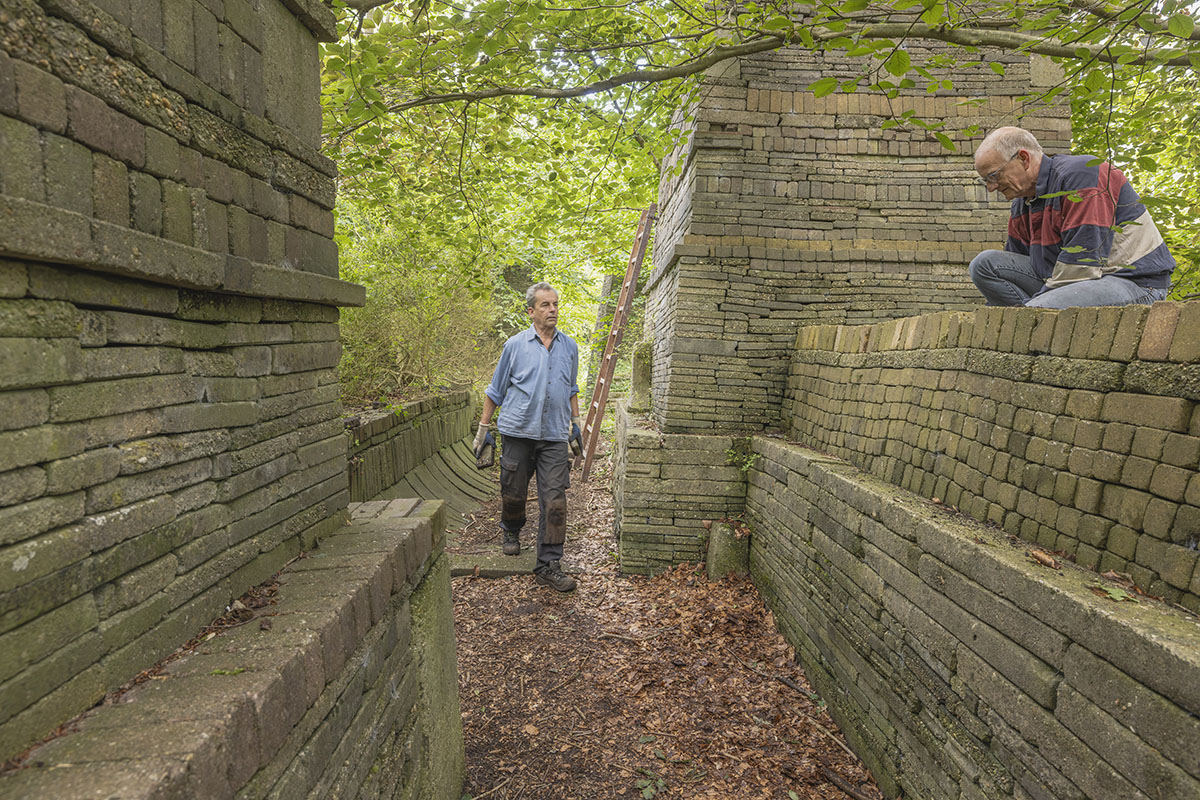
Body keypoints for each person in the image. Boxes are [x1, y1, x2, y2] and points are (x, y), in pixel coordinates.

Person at [968, 126, 1174, 308]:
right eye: (985, 181)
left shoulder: (1082, 174)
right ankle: (1027, 328)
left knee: (1036, 313)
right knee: (985, 265)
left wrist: (1031, 307)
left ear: (1024, 158)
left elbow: (1082, 266)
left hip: (1132, 283)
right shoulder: (1022, 202)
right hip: (1064, 281)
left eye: (994, 176)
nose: (991, 187)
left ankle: (1029, 328)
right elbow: (1016, 262)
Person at [473, 282, 584, 592]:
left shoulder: (570, 347)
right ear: (531, 311)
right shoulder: (515, 346)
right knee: (514, 493)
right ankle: (511, 529)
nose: (553, 310)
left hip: (553, 437)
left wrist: (576, 425)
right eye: (546, 305)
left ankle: (548, 563)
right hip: (517, 432)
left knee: (555, 500)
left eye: (556, 304)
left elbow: (571, 389)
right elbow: (495, 390)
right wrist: (483, 429)